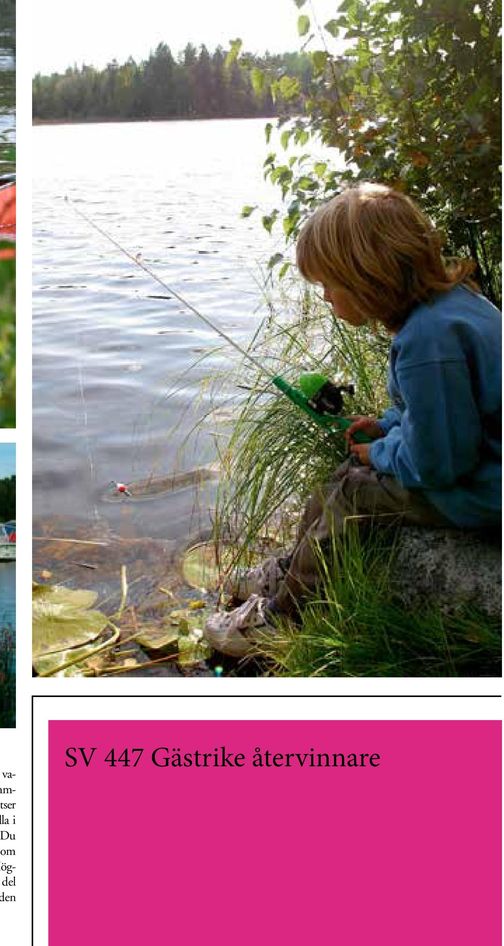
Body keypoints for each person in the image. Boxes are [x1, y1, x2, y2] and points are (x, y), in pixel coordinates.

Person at [203, 182, 502, 658]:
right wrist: (387, 425)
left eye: (328, 284)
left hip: (487, 488)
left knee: (352, 494)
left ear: (367, 278)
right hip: (487, 465)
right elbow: (447, 414)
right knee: (341, 479)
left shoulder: (427, 342)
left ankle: (282, 623)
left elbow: (441, 463)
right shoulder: (448, 309)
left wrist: (379, 451)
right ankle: (286, 572)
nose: (324, 297)